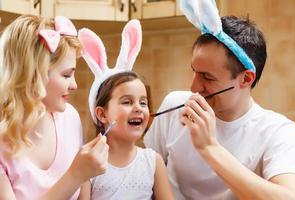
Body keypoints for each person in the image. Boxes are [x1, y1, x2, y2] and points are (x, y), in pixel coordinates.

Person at [144, 0, 295, 199]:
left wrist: (209, 148)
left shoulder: (278, 132)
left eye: (207, 77)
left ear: (246, 78)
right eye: (194, 72)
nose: (193, 88)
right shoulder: (174, 106)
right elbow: (144, 179)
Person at [0, 15, 109, 200]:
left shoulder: (70, 118)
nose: (74, 85)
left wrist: (84, 173)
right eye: (67, 75)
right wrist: (76, 174)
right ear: (33, 75)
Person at [78, 20, 174, 199]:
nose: (138, 107)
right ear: (102, 114)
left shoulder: (153, 161)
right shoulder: (89, 163)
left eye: (143, 103)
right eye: (127, 102)